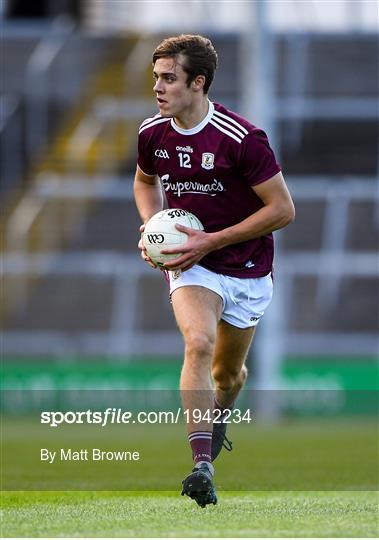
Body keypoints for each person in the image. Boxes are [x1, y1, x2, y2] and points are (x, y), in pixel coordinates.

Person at [134, 34, 295, 508]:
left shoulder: (242, 138)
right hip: (193, 265)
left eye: (169, 79)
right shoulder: (152, 133)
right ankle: (201, 464)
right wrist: (153, 230)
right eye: (155, 78)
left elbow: (283, 210)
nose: (158, 89)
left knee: (228, 375)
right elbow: (144, 182)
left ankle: (219, 414)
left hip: (246, 266)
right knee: (198, 342)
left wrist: (214, 239)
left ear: (197, 82)